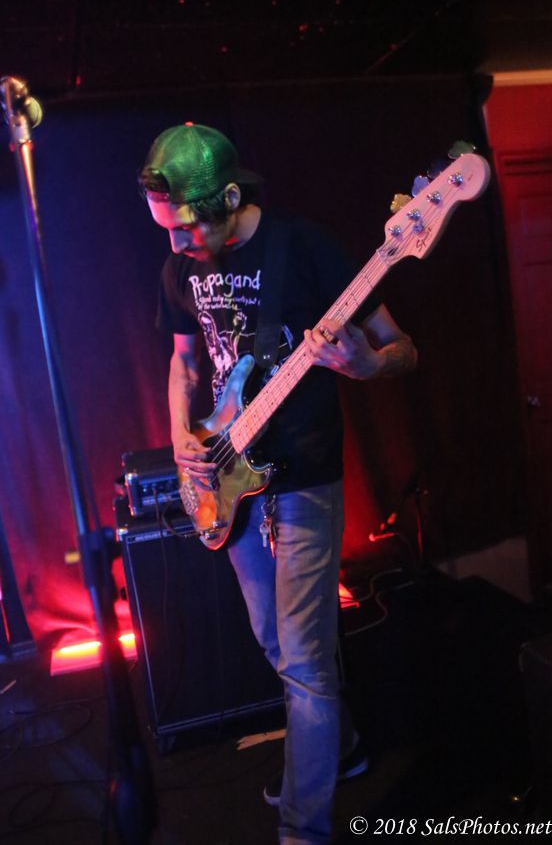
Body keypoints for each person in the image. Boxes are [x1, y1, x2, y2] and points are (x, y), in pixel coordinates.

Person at [139, 123, 417, 845]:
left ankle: (303, 830)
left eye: (188, 227)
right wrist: (181, 436)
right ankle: (343, 749)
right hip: (230, 475)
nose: (176, 243)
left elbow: (402, 348)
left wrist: (366, 365)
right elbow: (184, 363)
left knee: (305, 663)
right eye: (166, 228)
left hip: (303, 475)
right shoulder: (178, 269)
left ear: (232, 198)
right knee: (274, 643)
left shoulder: (307, 247)